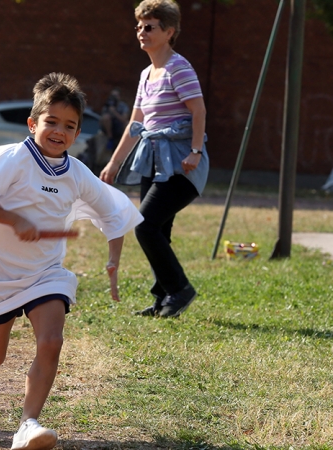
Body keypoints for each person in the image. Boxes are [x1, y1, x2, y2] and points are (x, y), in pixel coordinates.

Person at [0, 73, 142, 450]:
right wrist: (14, 219)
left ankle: (27, 424)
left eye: (69, 125)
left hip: (45, 274)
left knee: (52, 341)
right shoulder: (8, 159)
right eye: (51, 121)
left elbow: (115, 212)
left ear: (78, 132)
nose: (59, 131)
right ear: (32, 123)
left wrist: (113, 262)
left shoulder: (78, 174)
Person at [100, 0, 209, 318]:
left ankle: (180, 289)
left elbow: (198, 111)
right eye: (139, 26)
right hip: (153, 159)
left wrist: (195, 151)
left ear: (169, 31)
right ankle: (164, 297)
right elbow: (136, 123)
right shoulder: (147, 74)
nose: (141, 32)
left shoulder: (179, 67)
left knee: (145, 226)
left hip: (181, 161)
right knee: (160, 229)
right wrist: (114, 163)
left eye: (149, 27)